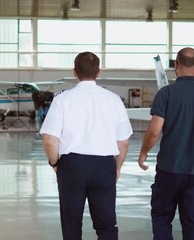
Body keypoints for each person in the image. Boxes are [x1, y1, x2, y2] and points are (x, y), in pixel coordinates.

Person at [40, 51, 133, 240]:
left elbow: (50, 140)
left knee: (71, 224)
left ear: (74, 72)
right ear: (98, 72)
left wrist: (55, 164)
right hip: (104, 166)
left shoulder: (62, 99)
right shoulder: (113, 99)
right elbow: (123, 142)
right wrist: (116, 167)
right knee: (106, 225)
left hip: (71, 166)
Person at [137, 47, 194, 240]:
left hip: (169, 169)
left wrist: (143, 153)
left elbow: (154, 130)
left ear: (175, 65)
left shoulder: (166, 94)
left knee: (161, 217)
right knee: (193, 222)